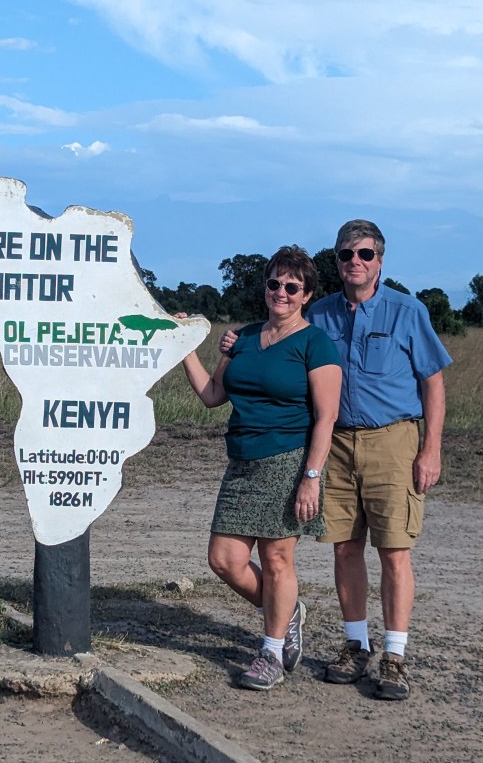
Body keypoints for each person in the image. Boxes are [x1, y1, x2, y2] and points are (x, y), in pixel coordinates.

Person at [224, 221, 452, 700]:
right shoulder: (321, 314)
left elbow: (432, 381)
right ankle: (355, 644)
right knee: (344, 549)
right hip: (334, 445)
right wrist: (230, 344)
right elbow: (274, 342)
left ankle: (394, 656)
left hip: (393, 439)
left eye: (365, 254)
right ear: (336, 261)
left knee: (394, 552)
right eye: (346, 254)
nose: (355, 262)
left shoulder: (407, 310)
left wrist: (430, 447)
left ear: (380, 260)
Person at [179, 245, 341, 691]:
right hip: (242, 462)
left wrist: (311, 477)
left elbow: (326, 417)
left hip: (289, 461)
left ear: (307, 294)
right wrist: (184, 348)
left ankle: (270, 651)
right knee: (224, 559)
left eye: (293, 286)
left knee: (276, 559)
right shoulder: (243, 338)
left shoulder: (316, 343)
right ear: (265, 285)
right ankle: (288, 613)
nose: (282, 293)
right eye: (275, 283)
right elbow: (213, 395)